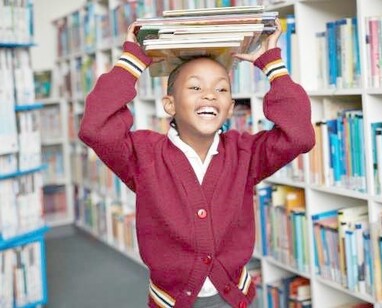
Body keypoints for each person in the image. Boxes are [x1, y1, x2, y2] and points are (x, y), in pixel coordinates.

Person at [78, 18, 315, 308]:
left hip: (235, 297)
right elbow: (95, 127)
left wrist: (272, 65)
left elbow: (300, 135)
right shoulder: (142, 155)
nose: (209, 95)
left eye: (222, 89)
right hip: (170, 301)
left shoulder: (246, 154)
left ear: (230, 107)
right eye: (194, 88)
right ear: (169, 105)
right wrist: (133, 60)